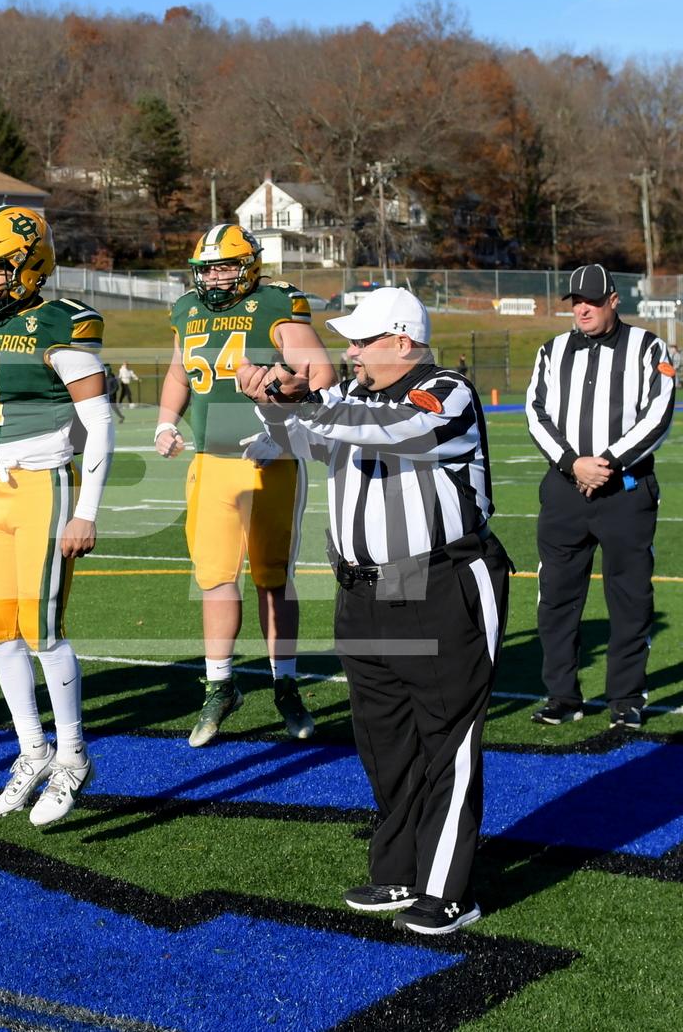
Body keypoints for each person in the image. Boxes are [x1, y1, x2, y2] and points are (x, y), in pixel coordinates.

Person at [237, 285, 511, 935]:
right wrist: (272, 400)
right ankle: (398, 869)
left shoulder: (446, 390)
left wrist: (302, 399)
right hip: (363, 588)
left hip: (437, 576)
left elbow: (397, 432)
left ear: (402, 341)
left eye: (363, 341)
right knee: (383, 735)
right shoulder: (352, 399)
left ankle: (446, 890)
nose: (351, 352)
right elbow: (299, 441)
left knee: (447, 737)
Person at [0, 204, 115, 827]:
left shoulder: (62, 324)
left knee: (42, 628)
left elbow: (99, 423)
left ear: (30, 265)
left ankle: (72, 755)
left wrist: (86, 511)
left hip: (46, 484)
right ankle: (32, 750)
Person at [156, 223, 334, 747]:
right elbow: (178, 374)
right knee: (214, 578)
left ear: (249, 266)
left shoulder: (276, 303)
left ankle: (285, 686)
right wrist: (166, 422)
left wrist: (285, 407)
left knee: (273, 579)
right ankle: (219, 687)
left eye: (224, 267)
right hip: (210, 462)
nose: (214, 277)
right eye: (207, 268)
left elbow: (320, 374)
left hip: (270, 460)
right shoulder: (187, 310)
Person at [526, 263, 676, 729]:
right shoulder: (551, 351)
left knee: (630, 598)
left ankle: (626, 699)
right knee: (556, 597)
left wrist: (605, 463)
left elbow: (659, 414)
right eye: (576, 301)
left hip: (625, 492)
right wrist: (573, 463)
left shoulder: (648, 347)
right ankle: (562, 696)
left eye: (592, 300)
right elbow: (535, 412)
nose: (583, 309)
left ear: (614, 300)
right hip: (565, 490)